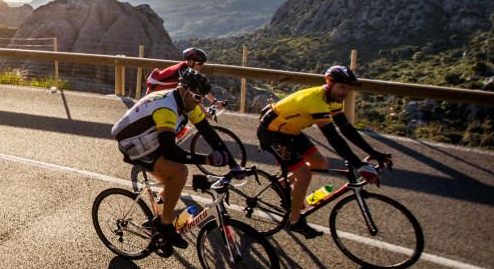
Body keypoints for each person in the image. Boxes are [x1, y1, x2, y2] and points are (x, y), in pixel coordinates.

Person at [112, 67, 242, 254]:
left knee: (173, 179)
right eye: (197, 97)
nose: (200, 102)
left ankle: (160, 209)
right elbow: (170, 151)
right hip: (133, 143)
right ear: (183, 90)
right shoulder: (166, 108)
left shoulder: (188, 102)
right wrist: (206, 159)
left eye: (202, 98)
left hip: (150, 139)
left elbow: (208, 132)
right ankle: (164, 224)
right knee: (179, 172)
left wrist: (234, 165)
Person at [257, 65, 392, 239]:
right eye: (342, 87)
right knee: (304, 175)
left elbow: (346, 129)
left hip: (292, 132)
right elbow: (333, 138)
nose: (345, 93)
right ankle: (294, 220)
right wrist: (359, 165)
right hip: (272, 132)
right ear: (329, 83)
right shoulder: (316, 100)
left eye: (348, 89)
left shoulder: (334, 99)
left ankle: (283, 184)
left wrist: (375, 152)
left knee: (320, 163)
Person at [146, 47, 225, 109]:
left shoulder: (188, 70)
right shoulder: (183, 72)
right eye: (200, 63)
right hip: (154, 97)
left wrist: (214, 102)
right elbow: (193, 94)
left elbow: (200, 86)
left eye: (203, 63)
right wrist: (204, 111)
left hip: (163, 95)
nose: (202, 66)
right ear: (190, 62)